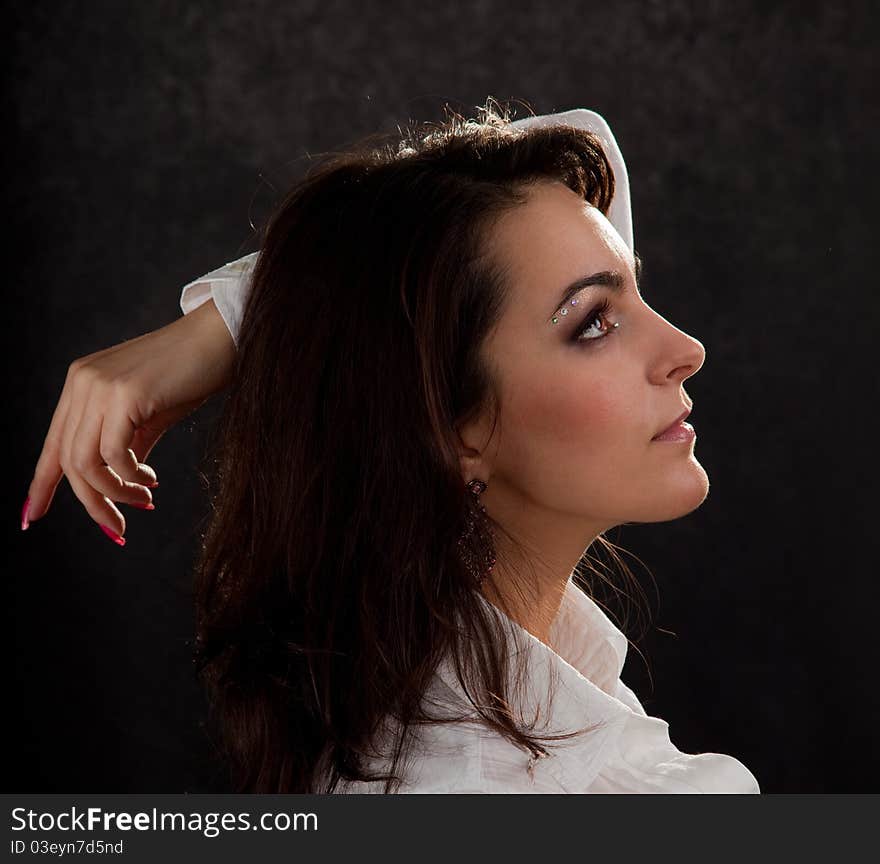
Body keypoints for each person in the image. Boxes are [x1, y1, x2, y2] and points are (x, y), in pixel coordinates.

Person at [22, 101, 760, 794]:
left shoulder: (482, 712)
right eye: (594, 321)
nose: (686, 348)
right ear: (449, 425)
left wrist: (231, 324)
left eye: (637, 289)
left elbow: (577, 141)